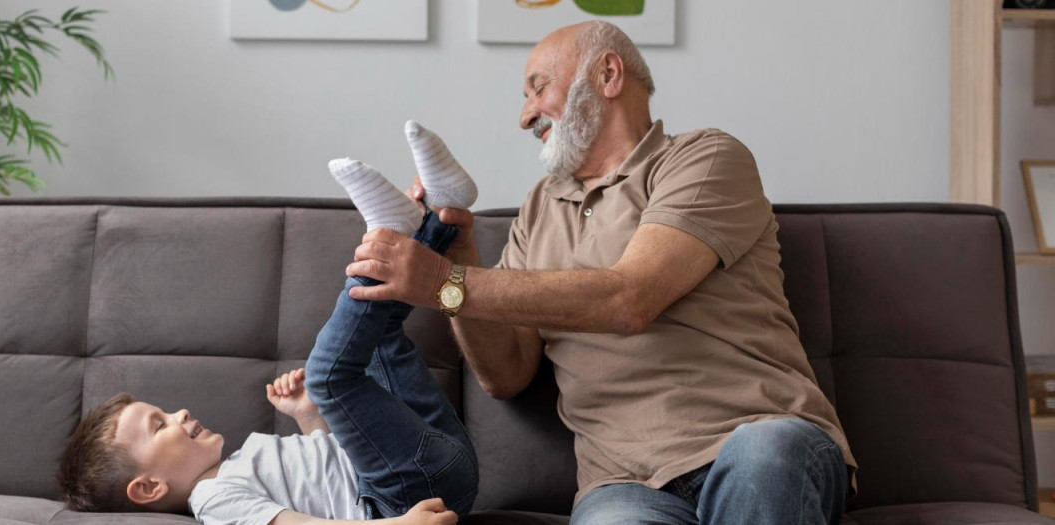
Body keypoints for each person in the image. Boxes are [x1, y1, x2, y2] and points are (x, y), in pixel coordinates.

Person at [343, 21, 859, 525]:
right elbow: (505, 374)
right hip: (624, 482)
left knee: (765, 453)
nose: (525, 117)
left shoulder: (704, 159)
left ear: (608, 75)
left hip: (753, 438)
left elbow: (629, 299)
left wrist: (440, 283)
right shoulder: (540, 208)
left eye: (538, 89)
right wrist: (457, 254)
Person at [56, 122, 479, 524]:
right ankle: (391, 233)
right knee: (328, 374)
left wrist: (308, 417)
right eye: (160, 425)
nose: (178, 412)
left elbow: (335, 466)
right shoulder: (213, 500)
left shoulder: (240, 464)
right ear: (148, 487)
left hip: (434, 461)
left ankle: (440, 217)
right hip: (407, 495)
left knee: (381, 339)